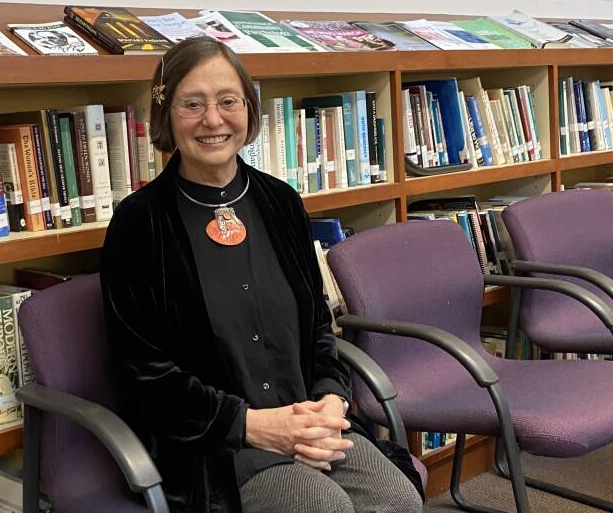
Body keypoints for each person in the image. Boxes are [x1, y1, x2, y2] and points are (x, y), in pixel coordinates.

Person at [100, 35, 424, 513]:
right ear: (167, 116)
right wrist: (255, 426)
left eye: (228, 101)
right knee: (321, 508)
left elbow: (318, 330)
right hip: (219, 446)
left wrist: (331, 402)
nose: (213, 120)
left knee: (398, 500)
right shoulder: (140, 223)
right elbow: (144, 376)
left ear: (249, 109)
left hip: (309, 420)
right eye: (193, 104)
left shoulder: (281, 203)